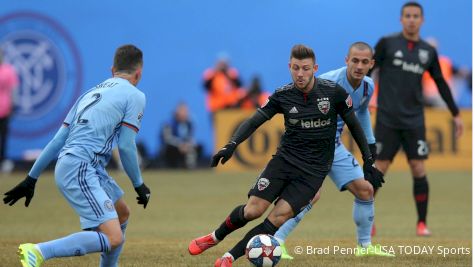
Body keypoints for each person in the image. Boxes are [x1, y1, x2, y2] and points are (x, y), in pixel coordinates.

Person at [188, 44, 384, 267]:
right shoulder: (283, 95)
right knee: (253, 210)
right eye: (296, 68)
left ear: (315, 69)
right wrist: (231, 145)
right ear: (290, 67)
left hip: (313, 172)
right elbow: (255, 120)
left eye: (306, 69)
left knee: (276, 218)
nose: (300, 74)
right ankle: (214, 237)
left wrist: (368, 160)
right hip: (284, 162)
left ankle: (229, 257)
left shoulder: (333, 92)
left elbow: (356, 125)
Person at [3, 44, 151, 267]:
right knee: (114, 238)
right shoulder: (135, 95)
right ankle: (39, 251)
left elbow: (57, 141)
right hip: (81, 167)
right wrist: (139, 184)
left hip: (81, 165)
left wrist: (30, 179)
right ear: (138, 73)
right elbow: (127, 146)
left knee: (122, 213)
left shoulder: (89, 94)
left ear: (112, 70)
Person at [275, 42, 394, 259]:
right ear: (346, 60)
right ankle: (276, 242)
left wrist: (370, 146)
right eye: (355, 60)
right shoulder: (328, 83)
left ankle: (365, 247)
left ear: (371, 65)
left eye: (364, 62)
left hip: (334, 147)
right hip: (310, 148)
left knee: (366, 190)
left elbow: (363, 112)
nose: (359, 66)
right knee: (309, 195)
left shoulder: (368, 86)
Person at [371, 2, 463, 236]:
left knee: (418, 167)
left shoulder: (427, 52)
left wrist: (455, 113)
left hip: (414, 118)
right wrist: (366, 97)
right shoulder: (387, 43)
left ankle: (422, 224)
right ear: (401, 19)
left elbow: (440, 82)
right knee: (379, 167)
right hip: (387, 117)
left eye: (416, 16)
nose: (411, 19)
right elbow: (370, 69)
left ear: (422, 20)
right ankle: (367, 221)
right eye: (407, 16)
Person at [160, 102, 201, 169]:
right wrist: (180, 144)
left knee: (197, 147)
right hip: (172, 148)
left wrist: (189, 144)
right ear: (177, 112)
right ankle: (171, 166)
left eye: (186, 111)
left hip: (184, 147)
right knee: (170, 148)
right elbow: (167, 139)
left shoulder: (189, 123)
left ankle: (189, 166)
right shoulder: (169, 123)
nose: (185, 113)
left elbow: (190, 137)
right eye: (182, 111)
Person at [203, 54, 243, 119]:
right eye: (220, 64)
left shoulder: (232, 74)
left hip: (231, 108)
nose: (222, 66)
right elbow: (205, 86)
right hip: (216, 109)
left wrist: (228, 74)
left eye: (224, 64)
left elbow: (240, 85)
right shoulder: (211, 74)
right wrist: (215, 72)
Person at [0, 48, 19, 173]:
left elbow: (14, 90)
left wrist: (14, 105)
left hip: (4, 110)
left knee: (3, 138)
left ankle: (3, 162)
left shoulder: (9, 70)